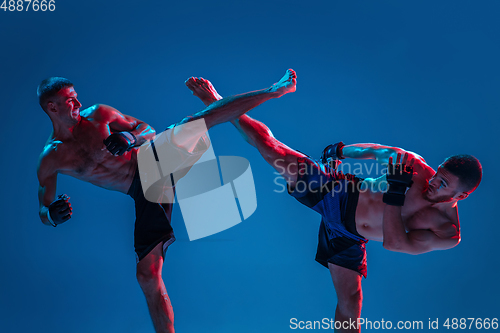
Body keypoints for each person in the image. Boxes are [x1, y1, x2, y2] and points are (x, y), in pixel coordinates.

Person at [185, 77, 482, 333]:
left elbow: (395, 244)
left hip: (348, 236)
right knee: (270, 148)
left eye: (443, 185)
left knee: (351, 305)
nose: (433, 182)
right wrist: (341, 150)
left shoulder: (447, 233)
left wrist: (395, 192)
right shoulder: (417, 168)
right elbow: (378, 152)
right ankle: (217, 101)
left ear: (461, 196)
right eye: (438, 173)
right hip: (338, 193)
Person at [36, 69, 297, 333]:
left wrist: (130, 137)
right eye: (70, 100)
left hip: (153, 159)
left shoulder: (98, 115)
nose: (78, 104)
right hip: (145, 191)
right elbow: (42, 211)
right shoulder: (51, 159)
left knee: (195, 122)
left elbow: (146, 130)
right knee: (147, 275)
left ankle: (273, 91)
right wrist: (52, 216)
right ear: (52, 107)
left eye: (77, 97)